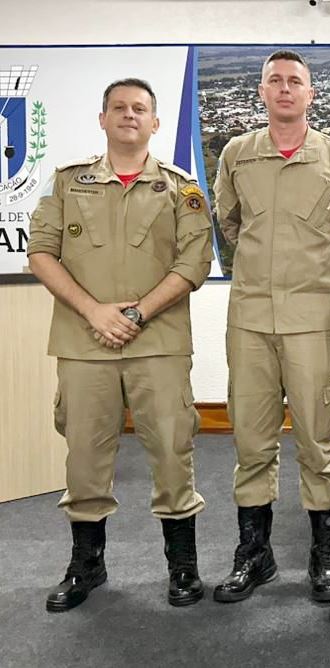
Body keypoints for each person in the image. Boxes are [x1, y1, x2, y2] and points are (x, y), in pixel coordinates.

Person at [27, 78, 213, 611]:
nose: (129, 115)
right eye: (119, 108)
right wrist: (95, 312)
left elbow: (194, 262)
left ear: (155, 123)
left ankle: (182, 566)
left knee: (174, 452)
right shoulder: (66, 182)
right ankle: (87, 565)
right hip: (85, 342)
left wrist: (136, 313)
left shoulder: (182, 188)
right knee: (84, 456)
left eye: (140, 109)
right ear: (102, 118)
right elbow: (41, 253)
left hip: (159, 342)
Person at [212, 49, 330, 604]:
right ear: (261, 91)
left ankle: (323, 557)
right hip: (250, 318)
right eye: (274, 80)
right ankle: (255, 554)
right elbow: (229, 222)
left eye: (294, 81)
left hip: (314, 320)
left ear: (309, 94)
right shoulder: (237, 154)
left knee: (319, 442)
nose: (284, 89)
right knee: (251, 442)